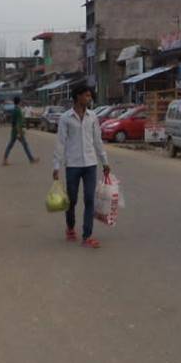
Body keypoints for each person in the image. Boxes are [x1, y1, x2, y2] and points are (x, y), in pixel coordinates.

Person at [53, 84, 110, 248]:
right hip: (73, 164)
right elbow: (60, 143)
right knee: (72, 200)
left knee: (89, 199)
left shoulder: (93, 117)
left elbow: (98, 141)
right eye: (86, 96)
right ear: (77, 96)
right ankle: (70, 227)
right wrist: (56, 165)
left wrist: (105, 162)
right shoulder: (65, 118)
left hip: (91, 164)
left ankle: (87, 235)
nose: (89, 98)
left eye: (90, 96)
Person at [3, 96, 37, 165]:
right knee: (24, 145)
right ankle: (31, 159)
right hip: (18, 131)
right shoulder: (18, 110)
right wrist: (19, 132)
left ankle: (5, 159)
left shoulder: (15, 109)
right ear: (19, 102)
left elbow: (14, 122)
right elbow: (18, 123)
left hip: (15, 131)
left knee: (12, 145)